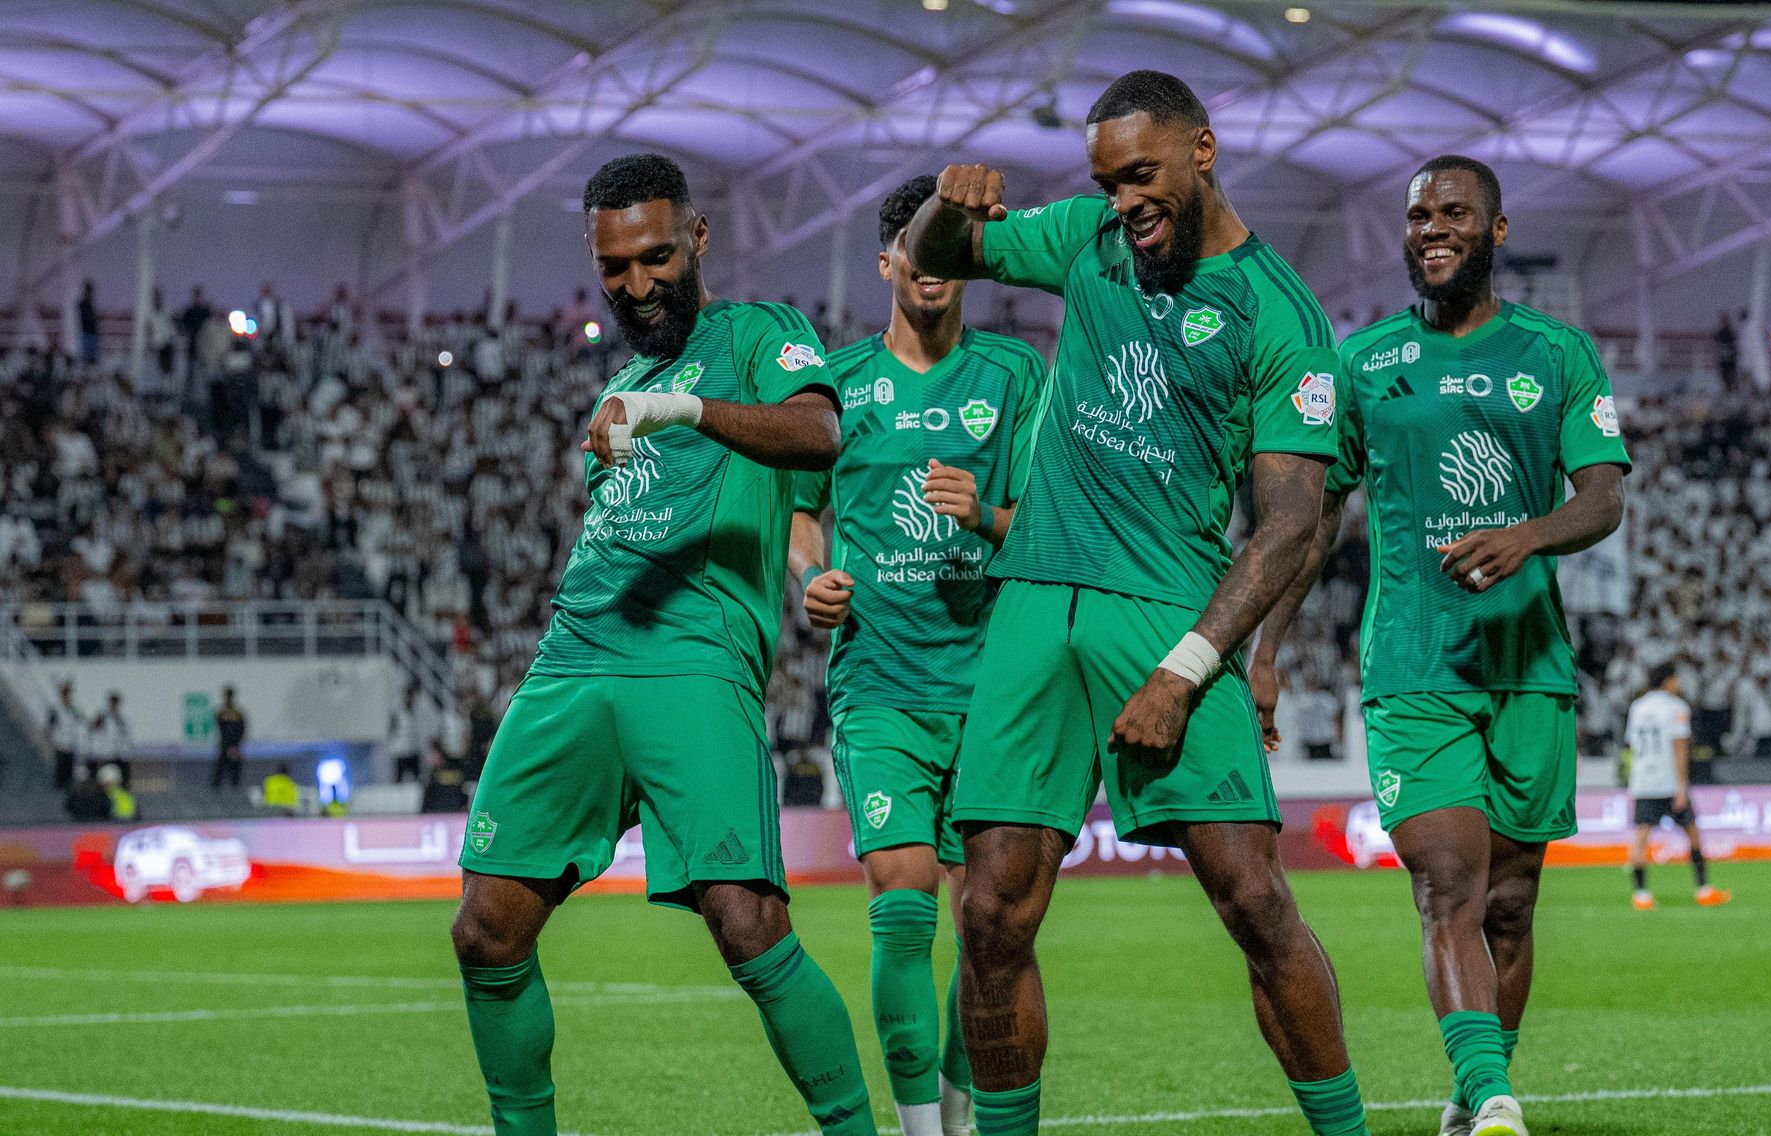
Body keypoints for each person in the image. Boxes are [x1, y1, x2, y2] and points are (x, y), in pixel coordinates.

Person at [907, 71, 1369, 1136]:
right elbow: (938, 257)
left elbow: (1290, 523)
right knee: (988, 911)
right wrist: (946, 199)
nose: (1123, 201)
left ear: (1200, 150)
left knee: (1252, 899)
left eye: (1141, 174)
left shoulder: (1279, 314)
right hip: (1031, 604)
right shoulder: (1086, 241)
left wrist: (1185, 667)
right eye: (1106, 181)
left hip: (1164, 611)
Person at [449, 153, 876, 1136]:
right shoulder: (615, 387)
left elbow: (817, 435)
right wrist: (620, 430)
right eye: (614, 268)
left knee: (748, 923)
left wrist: (681, 408)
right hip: (572, 662)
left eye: (654, 257)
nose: (637, 285)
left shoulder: (759, 335)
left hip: (693, 663)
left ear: (696, 239)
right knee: (486, 930)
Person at [1253, 154, 1630, 1136]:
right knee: (1445, 882)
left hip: (1527, 667)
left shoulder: (1554, 353)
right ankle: (1497, 1094)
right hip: (1413, 663)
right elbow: (1309, 520)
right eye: (1418, 213)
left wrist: (1526, 534)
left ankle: (1471, 1093)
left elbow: (1600, 496)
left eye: (1454, 212)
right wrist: (1263, 650)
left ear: (1493, 233)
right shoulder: (1364, 363)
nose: (1432, 226)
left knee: (1508, 901)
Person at [790, 174, 1046, 1136]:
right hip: (881, 684)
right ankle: (916, 1130)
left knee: (991, 922)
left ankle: (958, 1108)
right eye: (909, 244)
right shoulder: (840, 384)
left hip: (994, 689)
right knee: (903, 900)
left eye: (948, 245)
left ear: (965, 259)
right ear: (888, 261)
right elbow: (800, 516)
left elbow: (1049, 530)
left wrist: (983, 516)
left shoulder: (1016, 378)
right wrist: (809, 581)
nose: (928, 263)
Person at [1624, 664, 1730, 910]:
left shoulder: (1637, 707)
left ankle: (1641, 895)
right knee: (1692, 833)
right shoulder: (1676, 707)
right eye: (1676, 679)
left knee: (1640, 838)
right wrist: (1682, 785)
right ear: (1668, 681)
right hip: (1669, 781)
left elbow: (1632, 744)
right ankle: (1703, 890)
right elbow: (1679, 748)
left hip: (1643, 781)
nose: (1679, 684)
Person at [47, 681, 86, 790]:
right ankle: (59, 788)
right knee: (60, 769)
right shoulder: (56, 709)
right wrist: (52, 739)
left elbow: (81, 719)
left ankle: (68, 788)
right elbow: (50, 725)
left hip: (71, 743)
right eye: (65, 694)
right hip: (60, 743)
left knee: (70, 770)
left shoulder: (74, 709)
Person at [89, 691, 132, 788]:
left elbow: (126, 733)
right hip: (107, 754)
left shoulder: (122, 717)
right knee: (107, 777)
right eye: (113, 702)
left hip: (120, 753)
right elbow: (93, 727)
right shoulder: (103, 715)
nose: (114, 704)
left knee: (123, 778)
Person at [212, 686, 247, 789]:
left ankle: (234, 796)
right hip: (224, 747)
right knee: (218, 774)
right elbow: (221, 730)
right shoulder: (221, 713)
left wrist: (235, 746)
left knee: (235, 775)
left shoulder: (238, 714)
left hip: (234, 747)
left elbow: (241, 730)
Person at [77, 279, 100, 365]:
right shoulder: (83, 303)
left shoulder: (90, 304)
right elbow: (86, 318)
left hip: (91, 332)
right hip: (87, 332)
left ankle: (90, 364)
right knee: (87, 358)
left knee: (92, 358)